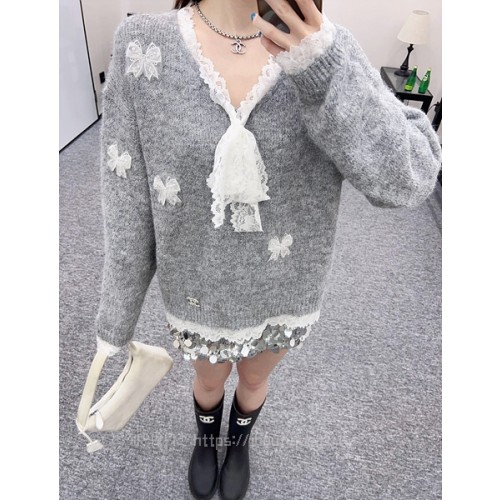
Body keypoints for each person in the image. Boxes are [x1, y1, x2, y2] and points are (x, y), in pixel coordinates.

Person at [93, 0, 442, 499]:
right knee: (208, 383)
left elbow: (409, 179)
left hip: (285, 290)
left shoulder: (329, 50)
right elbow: (127, 200)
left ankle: (238, 444)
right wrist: (116, 320)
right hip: (197, 290)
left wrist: (323, 70)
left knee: (253, 381)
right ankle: (206, 440)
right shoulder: (142, 46)